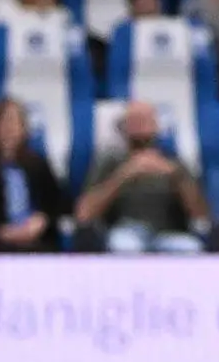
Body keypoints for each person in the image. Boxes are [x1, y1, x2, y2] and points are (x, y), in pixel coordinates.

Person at [72, 101, 211, 253]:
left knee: (189, 247)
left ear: (157, 126)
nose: (140, 126)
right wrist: (123, 175)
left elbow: (201, 216)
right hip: (125, 230)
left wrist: (178, 179)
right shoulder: (110, 162)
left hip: (169, 233)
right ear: (123, 127)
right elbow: (84, 213)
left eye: (145, 120)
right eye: (134, 121)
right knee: (126, 246)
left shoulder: (175, 162)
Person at [0, 97, 69, 251]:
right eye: (4, 122)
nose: (9, 128)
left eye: (15, 123)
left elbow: (58, 202)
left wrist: (42, 220)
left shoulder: (38, 165)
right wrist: (0, 231)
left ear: (24, 129)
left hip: (36, 242)